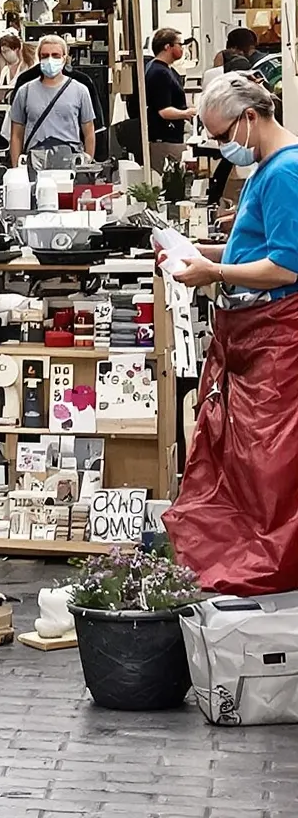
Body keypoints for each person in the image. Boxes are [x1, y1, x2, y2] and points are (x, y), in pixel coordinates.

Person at [160, 71, 298, 594]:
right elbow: (257, 250)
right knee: (247, 456)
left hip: (275, 335)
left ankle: (263, 557)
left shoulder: (285, 172)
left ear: (248, 118)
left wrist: (212, 272)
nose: (220, 149)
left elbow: (286, 266)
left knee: (266, 461)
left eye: (220, 137)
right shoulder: (269, 168)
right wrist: (201, 254)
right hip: (256, 332)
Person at [6, 34, 97, 170]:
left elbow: (89, 132)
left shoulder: (80, 90)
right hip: (35, 161)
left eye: (55, 55)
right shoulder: (25, 91)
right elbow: (16, 135)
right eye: (45, 56)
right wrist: (16, 170)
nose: (50, 59)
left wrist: (86, 164)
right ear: (39, 58)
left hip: (70, 160)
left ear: (64, 58)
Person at [144, 27, 194, 153]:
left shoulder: (165, 69)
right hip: (165, 137)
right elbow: (164, 111)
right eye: (180, 44)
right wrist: (187, 113)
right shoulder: (160, 72)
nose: (182, 48)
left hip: (171, 134)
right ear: (167, 46)